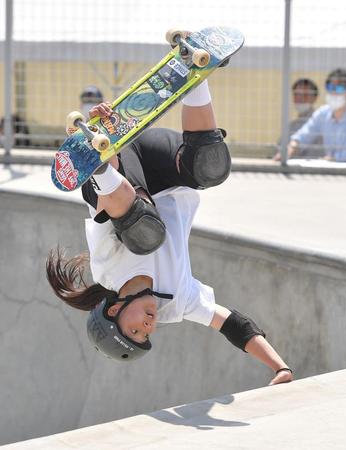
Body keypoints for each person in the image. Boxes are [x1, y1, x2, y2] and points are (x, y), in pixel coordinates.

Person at [46, 79, 293, 386]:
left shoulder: (107, 271)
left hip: (118, 174)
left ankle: (96, 155)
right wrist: (280, 367)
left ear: (113, 311)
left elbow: (107, 205)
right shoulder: (178, 302)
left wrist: (105, 156)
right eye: (147, 335)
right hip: (163, 171)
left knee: (144, 234)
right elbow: (233, 325)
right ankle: (197, 78)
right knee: (211, 166)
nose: (148, 326)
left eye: (135, 330)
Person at [276, 68, 346, 162]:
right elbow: (304, 135)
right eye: (330, 87)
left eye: (339, 88)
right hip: (331, 169)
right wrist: (290, 149)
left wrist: (325, 161)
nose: (333, 92)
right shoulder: (323, 113)